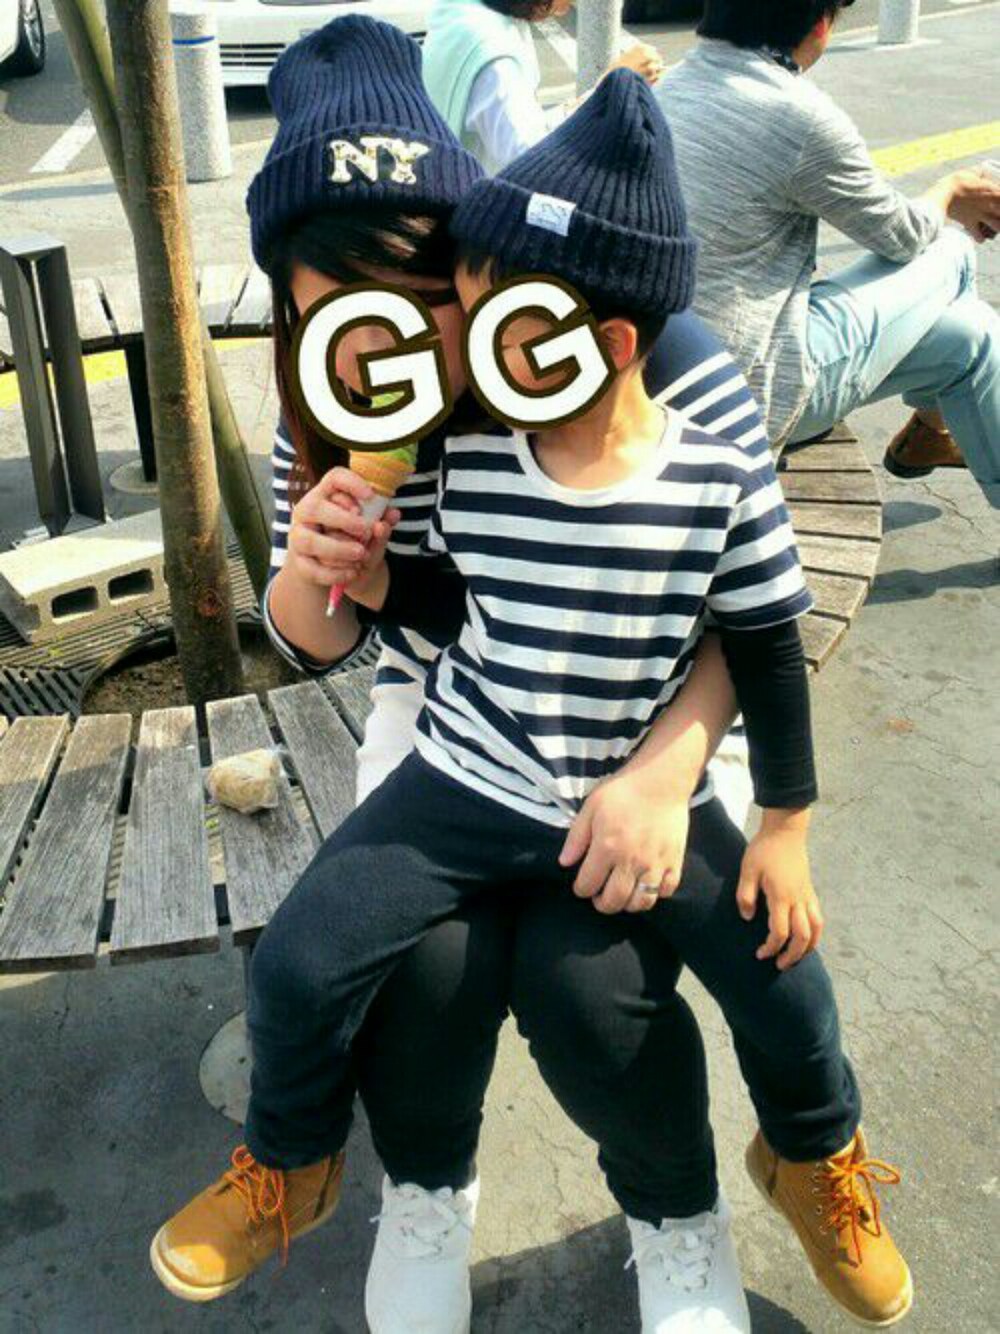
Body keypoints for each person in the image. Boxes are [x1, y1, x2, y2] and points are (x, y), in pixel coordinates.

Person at [154, 63, 912, 1332]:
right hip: (463, 737)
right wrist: (335, 569)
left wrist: (712, 792)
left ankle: (726, 1191)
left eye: (425, 302)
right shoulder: (359, 410)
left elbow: (755, 632)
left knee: (635, 984)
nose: (390, 347)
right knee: (397, 967)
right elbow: (385, 624)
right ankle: (374, 1180)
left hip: (655, 719)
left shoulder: (666, 371)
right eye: (337, 316)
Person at [658, 0, 1000, 509]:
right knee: (953, 250)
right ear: (820, 25)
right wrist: (953, 191)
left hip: (664, 382)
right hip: (748, 398)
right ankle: (932, 426)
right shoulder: (796, 116)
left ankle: (931, 433)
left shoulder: (670, 86)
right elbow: (903, 237)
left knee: (973, 335)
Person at [422, 0, 662, 172]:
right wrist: (608, 88)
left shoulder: (465, 13)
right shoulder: (493, 54)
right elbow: (529, 156)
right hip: (472, 213)